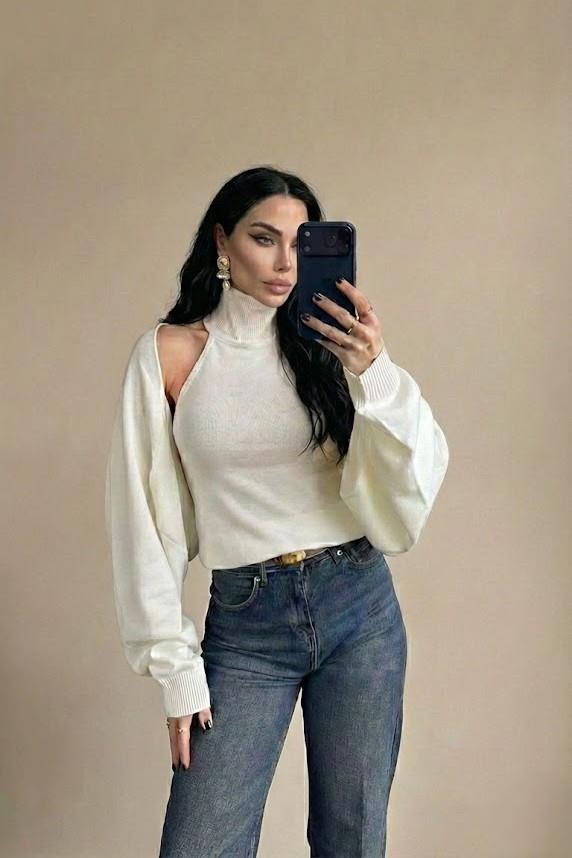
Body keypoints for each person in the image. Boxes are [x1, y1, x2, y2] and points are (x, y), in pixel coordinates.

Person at [104, 165, 450, 857]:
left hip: (358, 606)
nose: (286, 263)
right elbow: (144, 518)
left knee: (352, 840)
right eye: (264, 239)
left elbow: (413, 473)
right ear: (222, 242)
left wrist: (374, 370)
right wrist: (175, 669)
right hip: (247, 623)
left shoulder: (334, 344)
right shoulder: (172, 353)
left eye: (301, 243)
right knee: (202, 844)